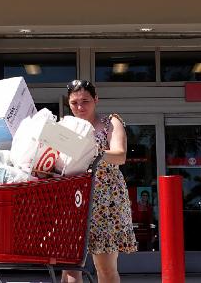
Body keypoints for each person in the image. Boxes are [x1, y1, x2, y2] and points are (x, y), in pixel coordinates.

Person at [62, 80, 137, 283]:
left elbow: (120, 155)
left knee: (105, 268)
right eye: (74, 102)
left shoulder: (110, 122)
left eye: (85, 101)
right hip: (73, 199)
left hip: (106, 200)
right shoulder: (64, 128)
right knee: (69, 268)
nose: (80, 107)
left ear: (96, 100)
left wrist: (92, 151)